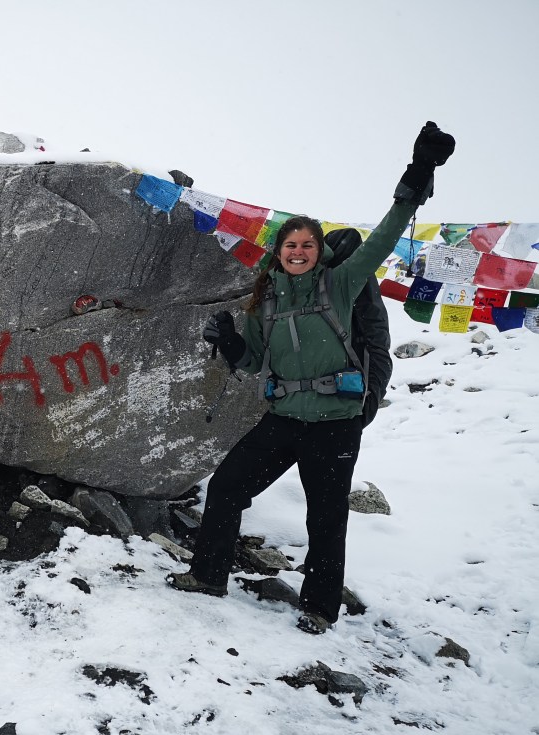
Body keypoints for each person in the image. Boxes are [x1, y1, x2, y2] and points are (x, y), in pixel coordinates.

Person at [168, 122, 456, 635]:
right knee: (229, 487)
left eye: (307, 244)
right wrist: (231, 340)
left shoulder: (341, 282)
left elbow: (386, 234)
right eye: (290, 245)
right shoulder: (268, 298)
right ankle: (209, 576)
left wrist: (419, 172)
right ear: (278, 251)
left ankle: (319, 608)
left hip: (335, 422)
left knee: (325, 519)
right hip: (284, 417)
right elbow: (255, 362)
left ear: (319, 250)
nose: (298, 251)